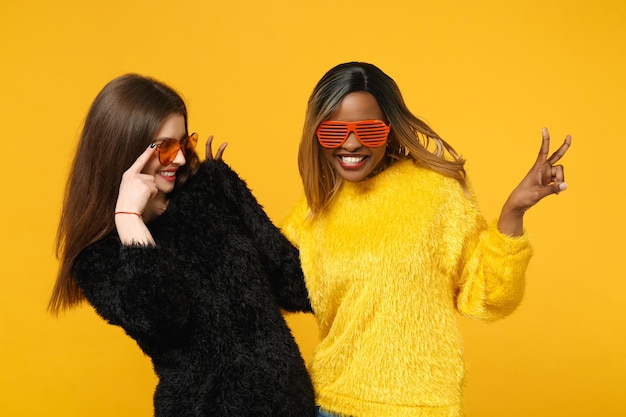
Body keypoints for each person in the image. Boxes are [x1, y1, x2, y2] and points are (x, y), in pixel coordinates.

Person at [280, 62, 571, 417]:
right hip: (333, 405)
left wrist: (513, 212)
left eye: (368, 131)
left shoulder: (437, 195)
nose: (351, 144)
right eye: (333, 132)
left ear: (389, 129)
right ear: (316, 134)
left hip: (423, 407)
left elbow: (489, 299)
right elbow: (253, 294)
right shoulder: (311, 216)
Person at [49, 74, 316, 417]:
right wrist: (130, 218)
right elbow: (163, 319)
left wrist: (336, 204)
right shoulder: (99, 256)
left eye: (182, 143)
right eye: (164, 148)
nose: (177, 160)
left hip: (291, 407)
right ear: (122, 151)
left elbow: (294, 283)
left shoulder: (213, 187)